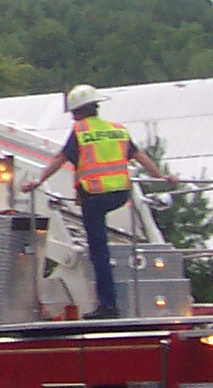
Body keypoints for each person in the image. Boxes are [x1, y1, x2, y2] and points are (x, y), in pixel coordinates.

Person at [21, 84, 176, 319]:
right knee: (102, 245)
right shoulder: (117, 129)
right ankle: (108, 300)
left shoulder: (80, 131)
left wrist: (38, 181)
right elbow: (139, 156)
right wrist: (161, 177)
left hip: (94, 197)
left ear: (75, 112)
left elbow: (60, 159)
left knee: (99, 252)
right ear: (96, 107)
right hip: (120, 195)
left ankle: (108, 305)